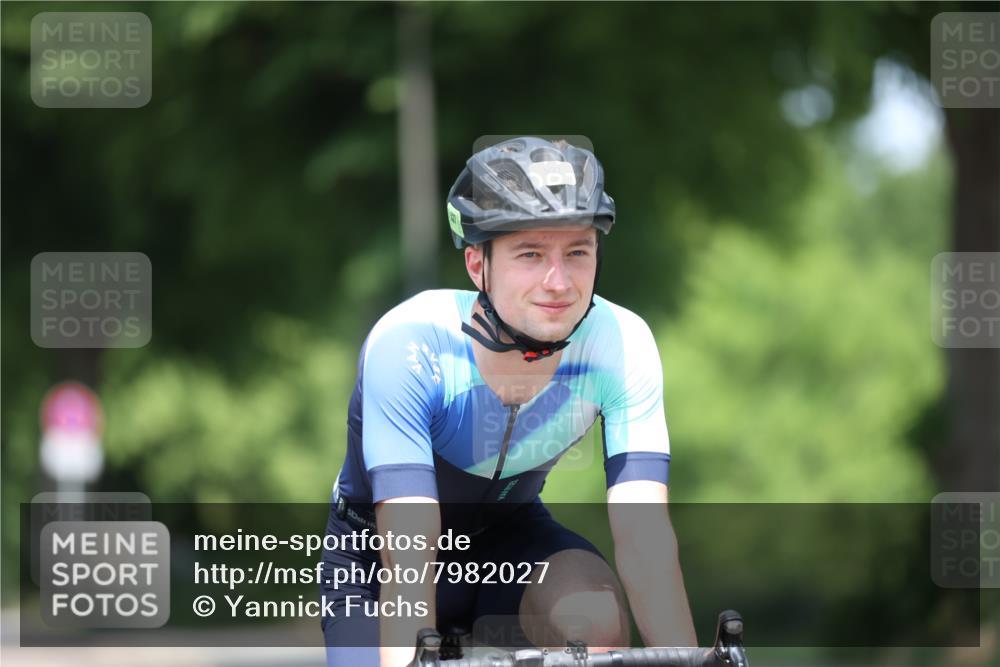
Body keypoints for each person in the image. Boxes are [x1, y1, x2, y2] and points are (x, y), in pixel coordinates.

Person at [320, 136, 697, 667]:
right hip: (380, 562)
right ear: (478, 264)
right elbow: (408, 546)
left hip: (510, 546)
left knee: (594, 617)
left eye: (577, 252)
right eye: (530, 254)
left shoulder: (621, 343)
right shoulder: (410, 343)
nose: (558, 281)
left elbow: (644, 540)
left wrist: (685, 660)